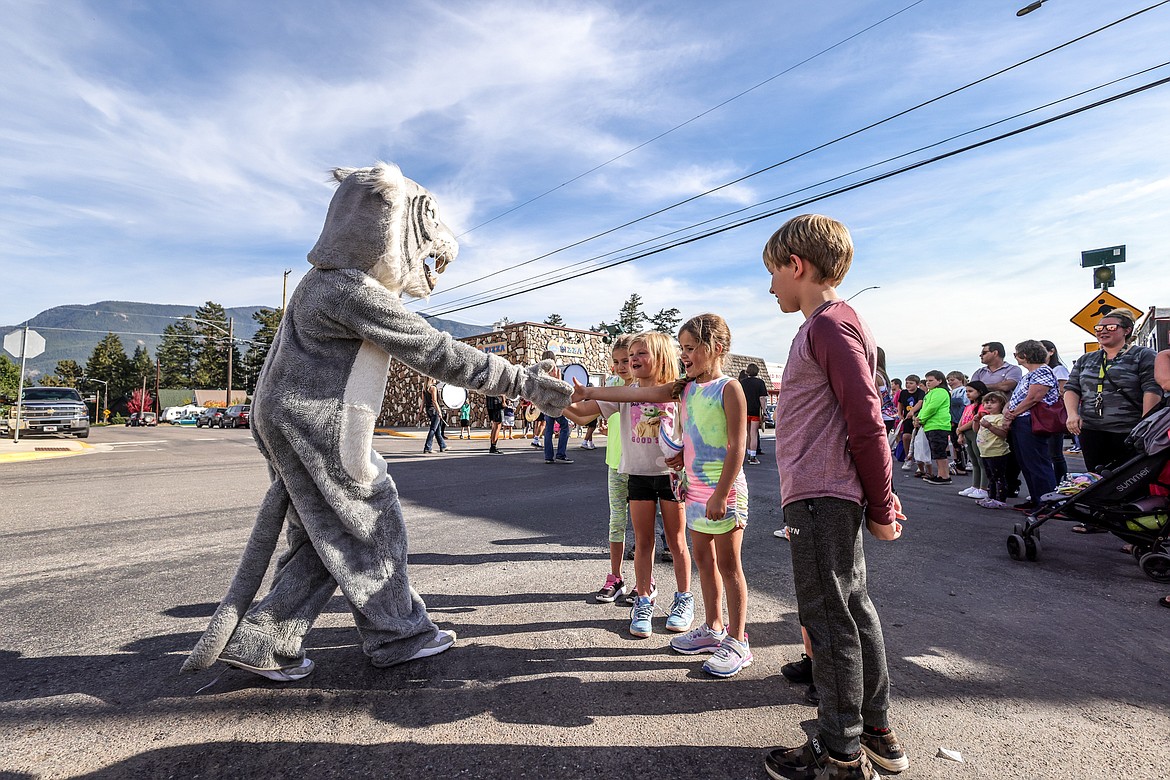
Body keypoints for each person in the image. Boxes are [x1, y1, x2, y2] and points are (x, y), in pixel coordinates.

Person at [760, 214, 908, 780]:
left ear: (797, 266)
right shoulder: (836, 324)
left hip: (822, 495)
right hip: (828, 495)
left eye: (773, 273)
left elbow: (866, 421)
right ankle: (874, 729)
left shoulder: (826, 325)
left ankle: (840, 749)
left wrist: (882, 502)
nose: (771, 287)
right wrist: (877, 498)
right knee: (851, 609)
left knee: (828, 619)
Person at [564, 332, 693, 638]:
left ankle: (684, 599)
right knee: (643, 542)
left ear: (660, 356)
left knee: (676, 542)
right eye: (630, 355)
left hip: (671, 478)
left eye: (640, 353)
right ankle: (644, 600)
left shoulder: (677, 391)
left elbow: (691, 430)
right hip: (637, 475)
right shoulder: (623, 392)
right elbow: (583, 414)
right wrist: (553, 402)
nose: (633, 360)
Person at [587, 334, 633, 603]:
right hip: (615, 464)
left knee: (644, 527)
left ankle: (645, 581)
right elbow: (585, 411)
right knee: (617, 522)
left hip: (642, 466)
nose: (621, 366)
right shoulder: (613, 384)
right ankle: (615, 578)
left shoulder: (647, 387)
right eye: (616, 362)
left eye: (626, 360)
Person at [1003, 340, 1059, 512]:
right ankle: (1036, 498)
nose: (1016, 358)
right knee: (1026, 462)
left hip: (1031, 420)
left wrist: (1013, 413)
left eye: (1016, 354)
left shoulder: (1042, 371)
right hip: (1022, 421)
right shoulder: (1030, 374)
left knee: (1038, 462)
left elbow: (1034, 397)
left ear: (1025, 355)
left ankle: (1047, 503)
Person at [972, 340, 1023, 497]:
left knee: (1009, 452)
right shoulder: (980, 371)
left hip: (1007, 415)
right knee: (983, 453)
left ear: (995, 352)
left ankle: (1010, 485)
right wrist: (992, 386)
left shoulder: (1013, 369)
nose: (981, 355)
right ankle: (989, 487)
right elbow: (973, 387)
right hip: (984, 416)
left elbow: (1006, 386)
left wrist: (983, 387)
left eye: (984, 352)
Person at [915, 370, 953, 485]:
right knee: (936, 451)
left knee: (939, 452)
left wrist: (920, 419)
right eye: (927, 380)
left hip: (938, 425)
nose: (928, 383)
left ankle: (944, 476)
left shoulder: (940, 391)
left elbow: (932, 408)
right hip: (931, 426)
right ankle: (941, 474)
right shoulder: (930, 393)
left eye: (931, 380)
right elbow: (925, 408)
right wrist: (918, 418)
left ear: (940, 380)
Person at [976, 391, 1012, 509]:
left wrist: (990, 426)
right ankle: (991, 496)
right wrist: (976, 421)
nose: (989, 405)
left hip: (997, 451)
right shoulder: (985, 417)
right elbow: (976, 430)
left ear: (1001, 404)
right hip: (985, 451)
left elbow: (1003, 434)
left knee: (998, 476)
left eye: (993, 402)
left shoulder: (1000, 418)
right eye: (986, 402)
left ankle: (1000, 499)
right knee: (990, 476)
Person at [1040, 340, 1069, 482]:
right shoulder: (1040, 370)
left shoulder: (1058, 369)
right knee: (1046, 454)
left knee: (1055, 454)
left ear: (1051, 351)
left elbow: (1063, 391)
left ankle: (1060, 484)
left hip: (1053, 415)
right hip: (1042, 415)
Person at [956, 380, 989, 500]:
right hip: (967, 434)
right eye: (966, 391)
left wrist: (960, 429)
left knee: (981, 461)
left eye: (970, 391)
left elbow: (973, 421)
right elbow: (963, 419)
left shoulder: (982, 405)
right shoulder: (969, 406)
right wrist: (960, 432)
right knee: (974, 461)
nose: (968, 394)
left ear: (979, 392)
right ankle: (975, 485)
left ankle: (983, 487)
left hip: (976, 433)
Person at [540, 350, 574, 464]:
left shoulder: (540, 372)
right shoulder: (555, 370)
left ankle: (548, 456)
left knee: (548, 430)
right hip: (555, 403)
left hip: (546, 404)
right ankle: (560, 454)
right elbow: (559, 386)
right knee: (565, 426)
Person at [740, 363, 769, 465]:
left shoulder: (742, 382)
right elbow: (762, 398)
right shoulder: (760, 382)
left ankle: (748, 454)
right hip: (755, 412)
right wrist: (764, 411)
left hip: (744, 412)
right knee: (754, 434)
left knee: (747, 434)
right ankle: (753, 457)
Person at [895, 375, 924, 473]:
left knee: (917, 438)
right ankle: (908, 457)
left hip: (918, 417)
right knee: (906, 437)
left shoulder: (921, 392)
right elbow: (900, 403)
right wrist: (899, 413)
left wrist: (913, 411)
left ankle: (920, 460)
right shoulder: (903, 392)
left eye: (911, 383)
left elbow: (920, 403)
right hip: (907, 418)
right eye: (907, 383)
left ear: (917, 384)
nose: (908, 385)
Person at [946, 371, 969, 475]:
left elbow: (966, 405)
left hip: (961, 420)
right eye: (949, 380)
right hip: (952, 420)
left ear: (960, 380)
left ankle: (962, 465)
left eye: (952, 380)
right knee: (955, 444)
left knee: (961, 444)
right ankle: (957, 462)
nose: (950, 382)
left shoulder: (963, 391)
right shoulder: (950, 392)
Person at [422, 378, 447, 454]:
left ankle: (443, 446)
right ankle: (427, 447)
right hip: (434, 410)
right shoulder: (433, 388)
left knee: (437, 430)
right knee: (433, 429)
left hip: (428, 410)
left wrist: (420, 412)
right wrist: (439, 411)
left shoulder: (424, 388)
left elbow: (423, 401)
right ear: (432, 379)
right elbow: (434, 401)